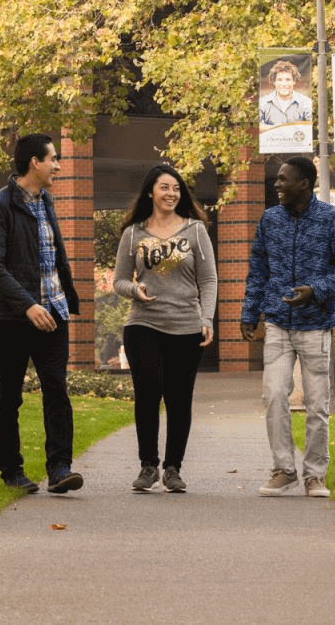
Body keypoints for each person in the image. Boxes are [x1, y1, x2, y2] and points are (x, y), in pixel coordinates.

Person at [238, 156, 335, 497]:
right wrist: (250, 313)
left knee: (317, 404)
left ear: (304, 184)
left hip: (316, 326)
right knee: (274, 395)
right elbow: (258, 271)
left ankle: (314, 475)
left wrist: (316, 289)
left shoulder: (332, 219)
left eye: (283, 179)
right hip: (278, 323)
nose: (276, 185)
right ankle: (283, 469)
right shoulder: (269, 220)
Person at [0, 134, 83, 494]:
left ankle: (60, 469)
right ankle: (11, 470)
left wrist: (62, 300)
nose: (57, 165)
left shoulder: (47, 202)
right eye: (53, 159)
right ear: (34, 162)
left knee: (57, 389)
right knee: (10, 395)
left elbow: (53, 260)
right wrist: (28, 305)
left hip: (53, 312)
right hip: (13, 317)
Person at [112, 165, 217, 493]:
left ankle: (173, 468)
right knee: (148, 391)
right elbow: (118, 281)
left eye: (176, 188)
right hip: (143, 323)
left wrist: (207, 319)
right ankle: (148, 466)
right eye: (164, 188)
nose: (171, 193)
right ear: (150, 193)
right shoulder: (133, 234)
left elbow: (208, 279)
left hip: (186, 325)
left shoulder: (196, 230)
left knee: (179, 397)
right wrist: (134, 290)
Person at [258, 59, 313, 128]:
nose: (284, 84)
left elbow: (310, 128)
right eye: (279, 80)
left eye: (288, 79)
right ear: (274, 82)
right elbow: (258, 128)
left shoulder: (306, 102)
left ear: (294, 81)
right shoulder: (263, 103)